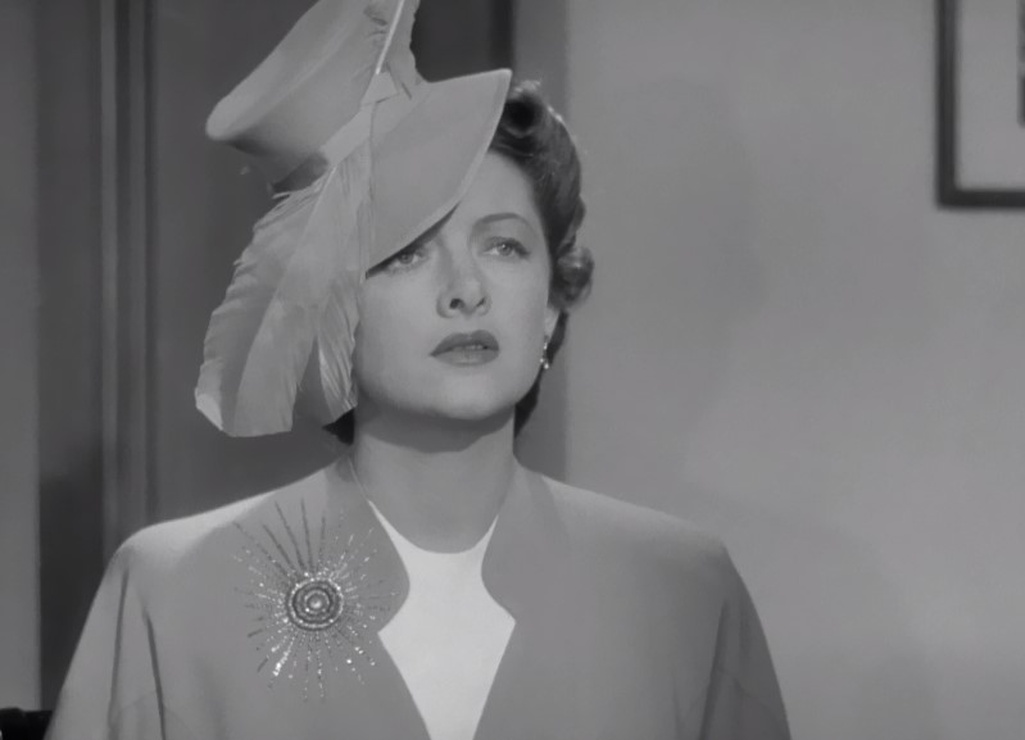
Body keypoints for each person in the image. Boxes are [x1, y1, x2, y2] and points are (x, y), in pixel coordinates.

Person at [44, 1, 791, 739]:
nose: (466, 289)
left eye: (504, 247)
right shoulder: (172, 591)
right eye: (405, 253)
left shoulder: (685, 593)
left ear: (551, 305)